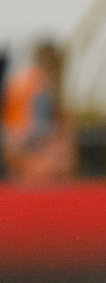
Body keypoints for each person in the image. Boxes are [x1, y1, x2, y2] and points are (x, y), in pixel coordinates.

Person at [2, 41, 74, 183]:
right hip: (32, 158)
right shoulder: (31, 89)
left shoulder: (33, 88)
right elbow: (19, 137)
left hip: (34, 156)